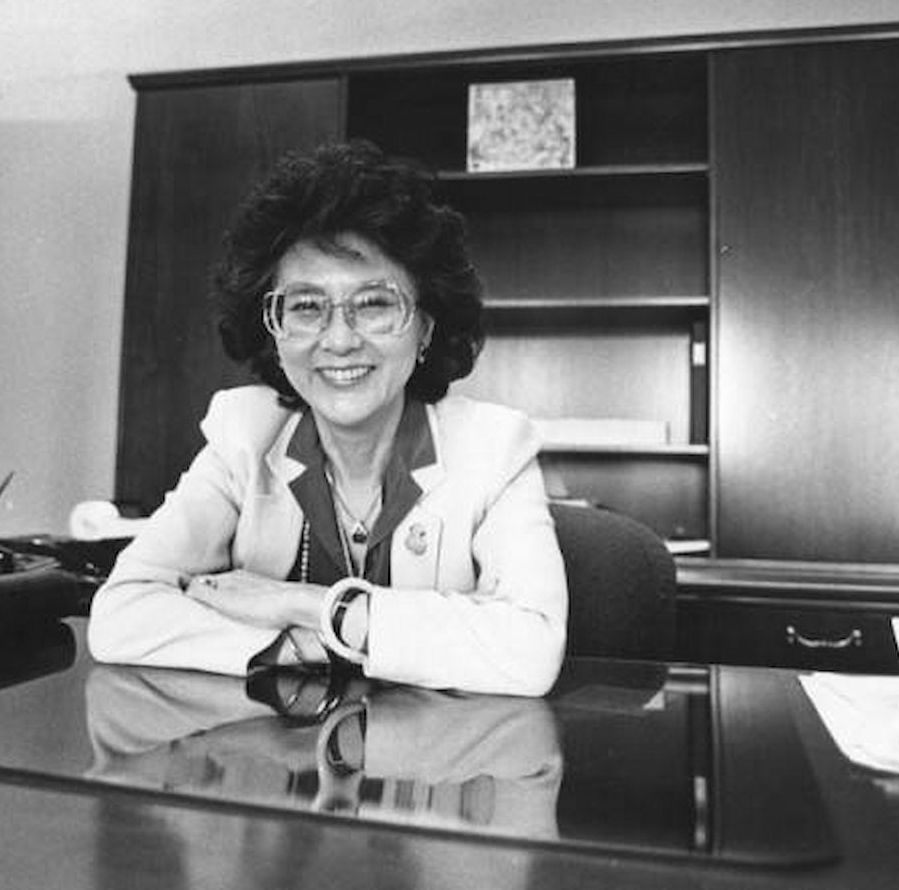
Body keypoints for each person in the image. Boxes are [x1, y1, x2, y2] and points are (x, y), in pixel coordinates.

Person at [87, 140, 566, 696]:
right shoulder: (243, 438)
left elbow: (530, 649)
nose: (339, 340)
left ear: (426, 328)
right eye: (307, 307)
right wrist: (297, 646)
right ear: (274, 327)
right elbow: (121, 612)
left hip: (436, 765)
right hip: (280, 762)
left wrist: (309, 607)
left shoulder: (494, 449)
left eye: (375, 304)